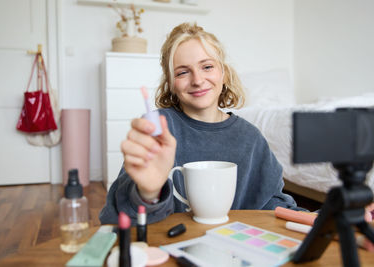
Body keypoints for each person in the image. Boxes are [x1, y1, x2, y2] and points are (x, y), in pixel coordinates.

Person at [99, 22, 305, 225]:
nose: (197, 80)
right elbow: (115, 217)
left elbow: (272, 203)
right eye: (182, 72)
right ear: (170, 83)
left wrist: (310, 218)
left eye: (207, 67)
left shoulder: (250, 138)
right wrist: (148, 193)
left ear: (223, 74)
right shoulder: (158, 130)